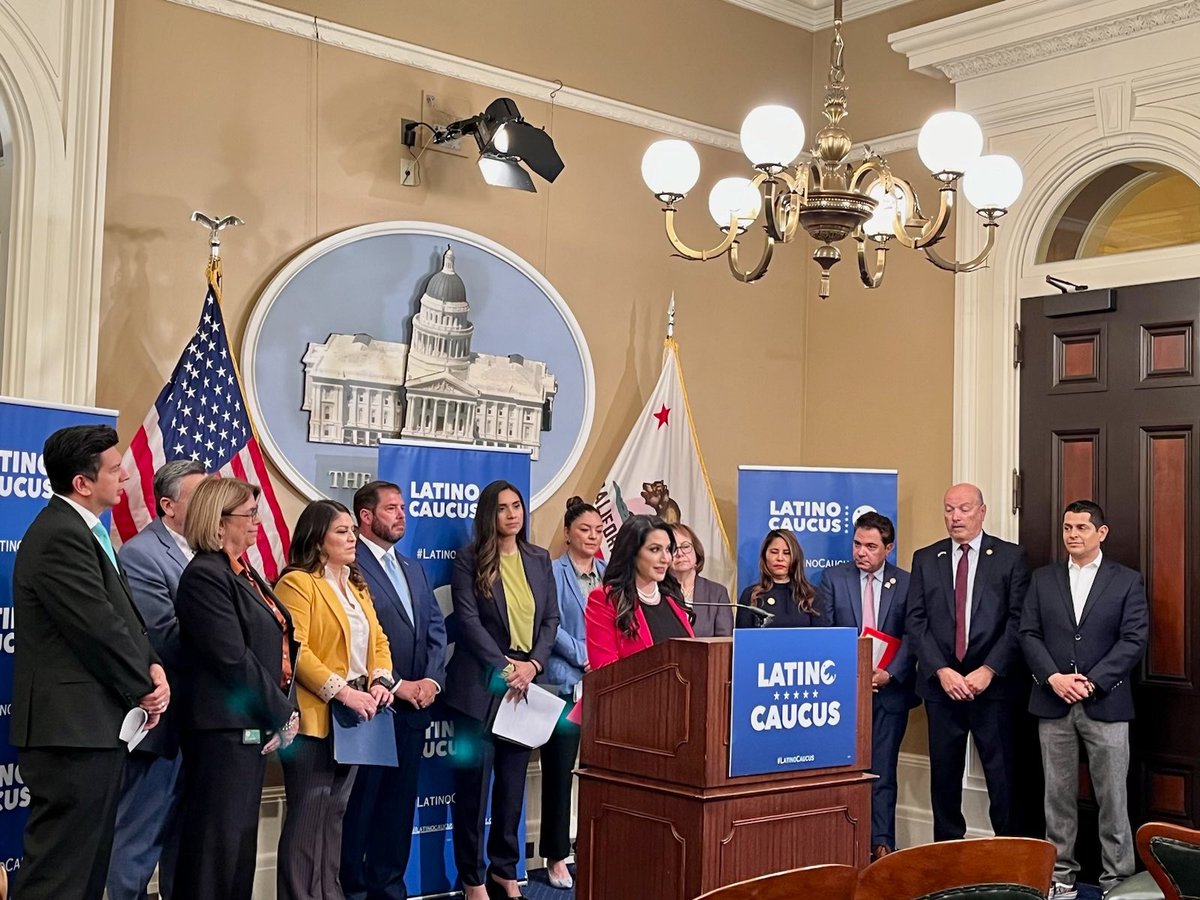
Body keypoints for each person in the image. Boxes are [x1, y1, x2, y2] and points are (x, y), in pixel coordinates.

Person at [11, 424, 166, 900]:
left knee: (87, 868)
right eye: (116, 470)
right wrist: (144, 682)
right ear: (82, 483)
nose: (125, 478)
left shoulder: (87, 531)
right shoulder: (60, 535)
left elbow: (124, 617)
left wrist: (154, 666)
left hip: (95, 729)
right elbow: (96, 627)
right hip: (71, 733)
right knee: (61, 872)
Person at [173, 477, 300, 900]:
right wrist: (281, 714)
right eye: (249, 515)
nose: (257, 523)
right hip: (221, 731)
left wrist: (284, 707)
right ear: (219, 520)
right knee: (215, 850)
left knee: (239, 848)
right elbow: (231, 658)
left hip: (249, 729)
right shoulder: (205, 577)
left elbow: (279, 647)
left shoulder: (245, 574)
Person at [1019, 501, 1148, 899]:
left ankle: (1117, 881)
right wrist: (1054, 678)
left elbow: (1134, 639)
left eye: (1081, 528)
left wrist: (1091, 682)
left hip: (1105, 705)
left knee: (1113, 797)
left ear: (1101, 533)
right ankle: (1061, 877)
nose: (1073, 534)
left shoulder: (1126, 580)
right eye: (1067, 527)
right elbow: (1028, 633)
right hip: (1053, 702)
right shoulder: (1043, 579)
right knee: (1057, 797)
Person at [273, 499, 396, 900]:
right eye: (342, 531)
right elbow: (297, 648)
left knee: (335, 816)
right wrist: (342, 691)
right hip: (316, 717)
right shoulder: (298, 582)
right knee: (309, 817)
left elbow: (377, 639)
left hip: (357, 717)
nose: (352, 538)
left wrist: (380, 679)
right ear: (317, 539)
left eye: (352, 531)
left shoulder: (356, 583)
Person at [446, 480, 560, 900]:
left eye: (517, 506)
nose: (513, 514)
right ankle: (473, 880)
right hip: (479, 686)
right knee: (473, 792)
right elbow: (468, 620)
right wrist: (504, 665)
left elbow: (550, 620)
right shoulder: (469, 559)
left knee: (512, 791)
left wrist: (531, 665)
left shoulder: (538, 557)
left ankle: (504, 872)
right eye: (503, 508)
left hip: (524, 686)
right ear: (488, 515)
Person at [906, 483, 1030, 841]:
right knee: (944, 779)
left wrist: (988, 670)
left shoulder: (1010, 557)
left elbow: (1018, 620)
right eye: (948, 509)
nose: (955, 517)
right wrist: (942, 671)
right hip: (941, 688)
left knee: (1002, 778)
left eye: (963, 508)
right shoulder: (926, 558)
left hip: (993, 687)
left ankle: (1008, 853)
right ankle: (947, 856)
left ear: (982, 511)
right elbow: (916, 622)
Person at [342, 481, 447, 900]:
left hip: (415, 711)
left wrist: (432, 681)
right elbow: (359, 636)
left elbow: (436, 630)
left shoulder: (414, 568)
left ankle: (390, 888)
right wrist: (399, 684)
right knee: (361, 809)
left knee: (399, 810)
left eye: (403, 507)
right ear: (366, 517)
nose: (402, 515)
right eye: (391, 508)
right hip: (372, 709)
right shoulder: (350, 566)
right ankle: (353, 889)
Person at [108, 459, 206, 900]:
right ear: (167, 506)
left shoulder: (209, 551)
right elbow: (163, 638)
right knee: (137, 843)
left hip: (202, 724)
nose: (211, 506)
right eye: (198, 497)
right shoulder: (141, 554)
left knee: (186, 846)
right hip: (160, 725)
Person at [816, 512, 917, 861]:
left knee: (883, 770)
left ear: (888, 549)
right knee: (842, 770)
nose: (862, 552)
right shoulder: (832, 578)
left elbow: (913, 636)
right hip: (844, 693)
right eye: (857, 544)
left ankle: (881, 842)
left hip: (890, 691)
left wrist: (889, 674)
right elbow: (826, 634)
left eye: (871, 546)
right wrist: (853, 676)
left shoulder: (906, 582)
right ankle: (843, 842)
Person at [541, 497, 605, 890]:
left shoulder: (610, 575)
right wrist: (583, 655)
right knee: (559, 773)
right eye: (585, 530)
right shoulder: (551, 572)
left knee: (601, 774)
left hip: (604, 684)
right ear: (567, 533)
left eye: (599, 531)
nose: (593, 537)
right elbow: (548, 625)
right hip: (566, 683)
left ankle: (595, 848)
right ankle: (556, 856)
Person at [585, 514, 694, 669]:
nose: (666, 558)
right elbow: (605, 672)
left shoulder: (672, 597)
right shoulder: (605, 599)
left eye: (668, 549)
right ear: (632, 552)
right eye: (655, 549)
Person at [736, 528, 825, 628]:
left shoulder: (811, 596)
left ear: (795, 558)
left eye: (787, 553)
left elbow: (821, 639)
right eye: (774, 552)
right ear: (765, 556)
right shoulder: (751, 595)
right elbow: (743, 641)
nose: (780, 558)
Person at [669, 522, 732, 637]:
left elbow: (723, 642)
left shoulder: (717, 593)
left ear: (696, 552)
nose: (680, 554)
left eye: (685, 546)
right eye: (672, 548)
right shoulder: (658, 592)